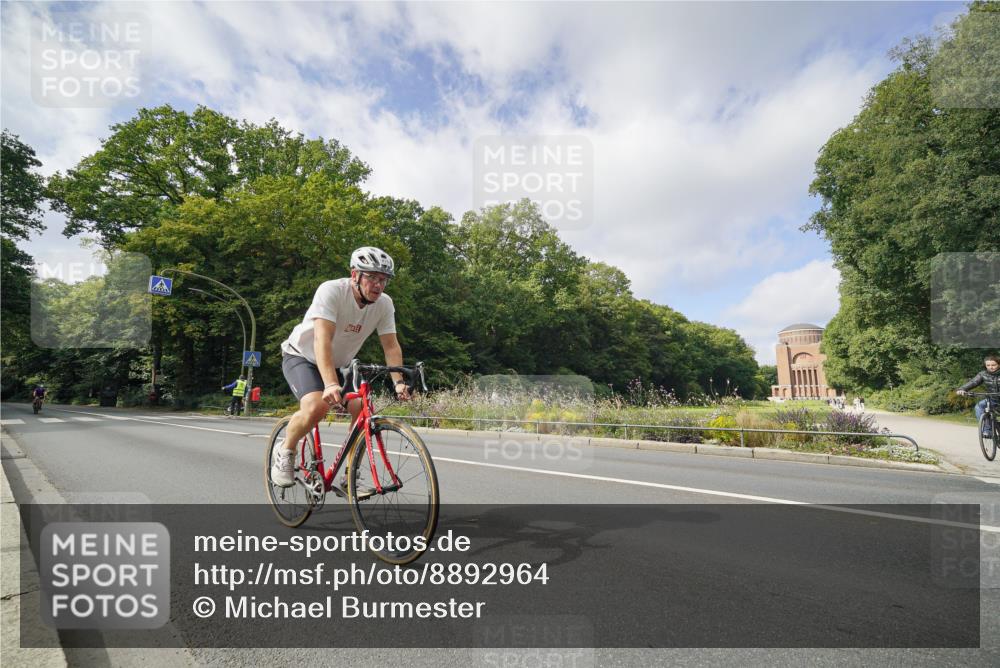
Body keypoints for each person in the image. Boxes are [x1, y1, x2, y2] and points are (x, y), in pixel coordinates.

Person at [271, 247, 411, 488]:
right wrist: (330, 383)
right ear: (355, 274)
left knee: (362, 408)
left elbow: (391, 346)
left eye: (384, 280)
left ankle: (350, 471)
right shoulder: (332, 291)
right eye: (372, 277)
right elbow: (321, 340)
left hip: (339, 364)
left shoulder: (385, 304)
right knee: (316, 407)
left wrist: (398, 382)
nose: (378, 285)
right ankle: (285, 450)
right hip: (303, 355)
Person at [957, 355, 1000, 437]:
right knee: (979, 407)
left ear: (999, 364)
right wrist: (962, 389)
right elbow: (973, 382)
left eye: (993, 365)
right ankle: (988, 430)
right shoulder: (983, 374)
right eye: (988, 365)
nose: (991, 367)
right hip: (993, 400)